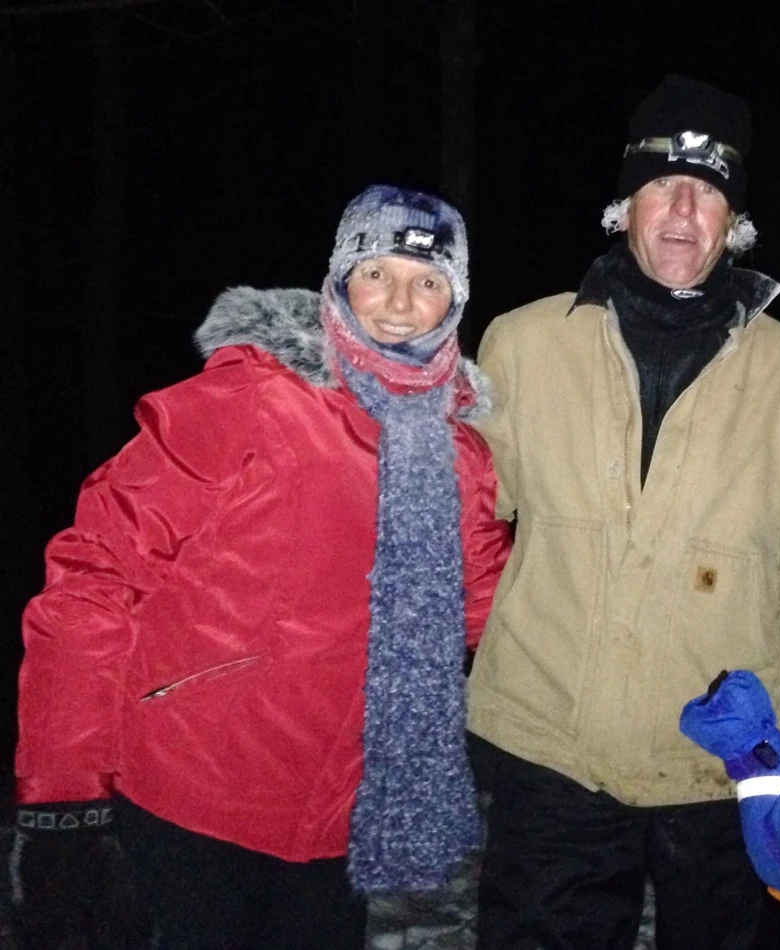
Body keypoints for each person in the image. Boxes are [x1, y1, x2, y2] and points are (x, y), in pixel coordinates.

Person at [12, 185, 511, 949]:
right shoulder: (248, 402)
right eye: (377, 273)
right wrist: (63, 801)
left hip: (339, 823)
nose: (400, 305)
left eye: (429, 282)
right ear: (339, 282)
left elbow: (494, 612)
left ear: (456, 301)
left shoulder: (461, 459)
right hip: (187, 803)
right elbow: (92, 581)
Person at [465, 74, 780, 949]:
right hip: (552, 761)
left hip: (727, 774)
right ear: (625, 203)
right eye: (662, 183)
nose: (684, 210)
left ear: (736, 221)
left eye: (709, 190)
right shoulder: (521, 346)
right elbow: (455, 526)